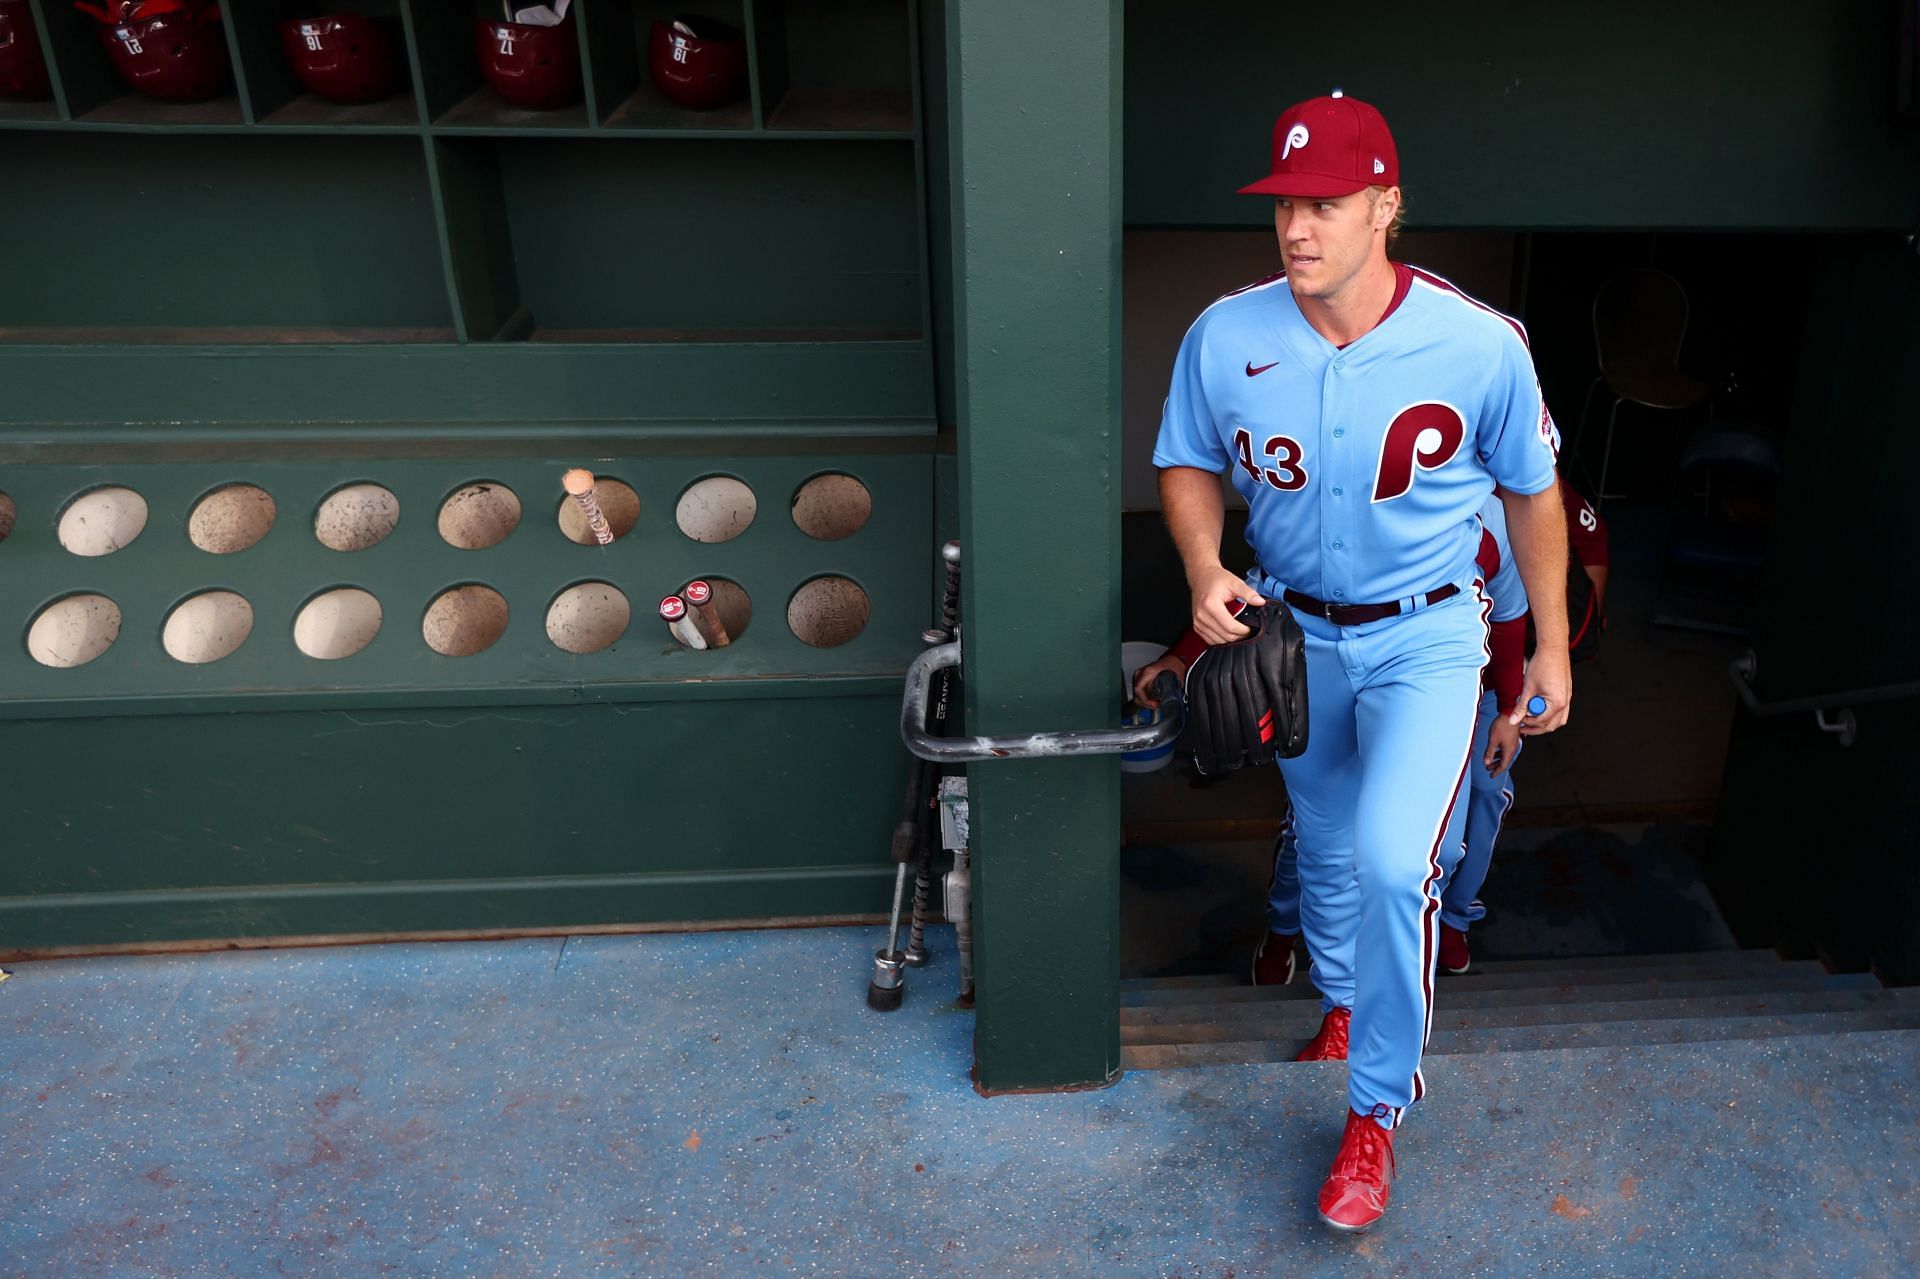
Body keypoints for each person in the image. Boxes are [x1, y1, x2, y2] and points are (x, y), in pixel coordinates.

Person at [1147, 91, 1571, 1233]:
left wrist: (1551, 653)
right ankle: (1340, 1000)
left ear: (1385, 205)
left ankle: (1376, 1109)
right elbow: (1186, 461)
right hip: (1295, 633)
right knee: (1328, 846)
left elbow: (1536, 494)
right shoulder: (1226, 333)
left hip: (1432, 635)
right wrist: (1201, 566)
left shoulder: (1479, 342)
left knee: (1394, 864)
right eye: (1285, 204)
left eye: (1326, 204)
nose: (1298, 227)